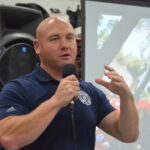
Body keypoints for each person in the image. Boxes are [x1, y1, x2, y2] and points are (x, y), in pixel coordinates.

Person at [0, 16, 139, 150]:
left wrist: (127, 97)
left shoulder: (90, 91)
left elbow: (128, 135)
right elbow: (8, 139)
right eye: (54, 39)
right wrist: (56, 101)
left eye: (69, 38)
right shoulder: (18, 89)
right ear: (37, 46)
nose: (65, 45)